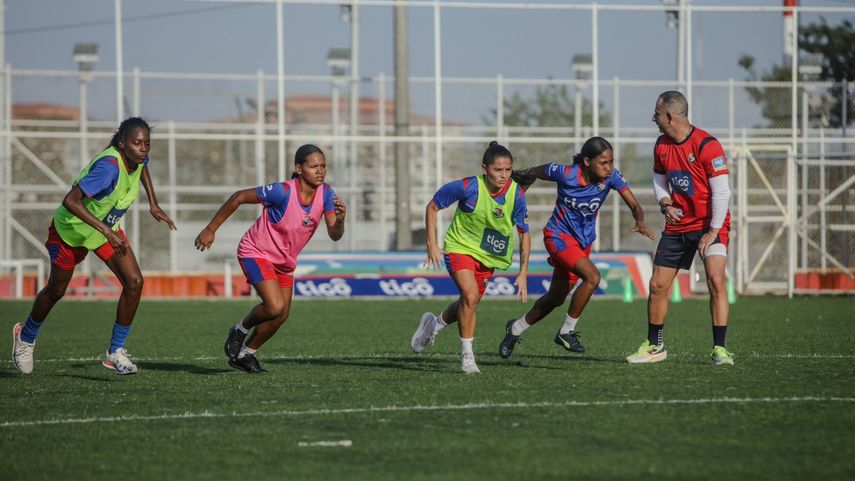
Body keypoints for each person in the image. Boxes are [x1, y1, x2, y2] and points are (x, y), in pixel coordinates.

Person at [11, 117, 177, 375]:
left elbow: (142, 167)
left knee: (134, 282)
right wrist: (107, 231)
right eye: (137, 143)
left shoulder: (138, 159)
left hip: (103, 231)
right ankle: (26, 335)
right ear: (122, 143)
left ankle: (115, 351)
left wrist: (153, 204)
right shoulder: (109, 167)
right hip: (70, 231)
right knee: (56, 291)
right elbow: (71, 201)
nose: (144, 148)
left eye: (147, 143)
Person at [498, 137, 655, 359]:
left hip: (583, 243)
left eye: (610, 162)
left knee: (556, 298)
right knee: (593, 277)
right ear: (587, 161)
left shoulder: (611, 177)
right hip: (558, 236)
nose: (608, 167)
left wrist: (639, 221)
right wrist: (518, 195)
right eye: (604, 163)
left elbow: (634, 204)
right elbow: (533, 172)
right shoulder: (565, 173)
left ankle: (514, 329)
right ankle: (566, 331)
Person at [194, 144, 346, 373]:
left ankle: (246, 354)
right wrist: (210, 228)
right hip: (256, 252)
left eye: (323, 166)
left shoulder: (326, 193)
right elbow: (238, 197)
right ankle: (239, 329)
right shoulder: (282, 191)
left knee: (281, 315)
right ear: (298, 168)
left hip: (284, 261)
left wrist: (342, 219)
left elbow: (335, 234)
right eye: (313, 166)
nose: (320, 171)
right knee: (275, 306)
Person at [626, 90, 734, 365]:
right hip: (678, 226)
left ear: (670, 116)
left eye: (657, 114)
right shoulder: (661, 145)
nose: (654, 118)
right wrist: (665, 203)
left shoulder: (707, 145)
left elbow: (722, 192)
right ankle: (655, 346)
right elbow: (659, 178)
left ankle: (720, 349)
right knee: (657, 284)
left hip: (711, 224)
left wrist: (713, 231)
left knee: (715, 279)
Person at [410, 141, 530, 374]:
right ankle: (467, 356)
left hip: (489, 255)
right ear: (484, 168)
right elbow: (433, 206)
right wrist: (432, 243)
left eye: (508, 170)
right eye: (498, 170)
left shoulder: (517, 194)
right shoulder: (467, 187)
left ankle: (432, 325)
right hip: (459, 247)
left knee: (469, 302)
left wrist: (523, 272)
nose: (504, 175)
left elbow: (524, 233)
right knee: (470, 295)